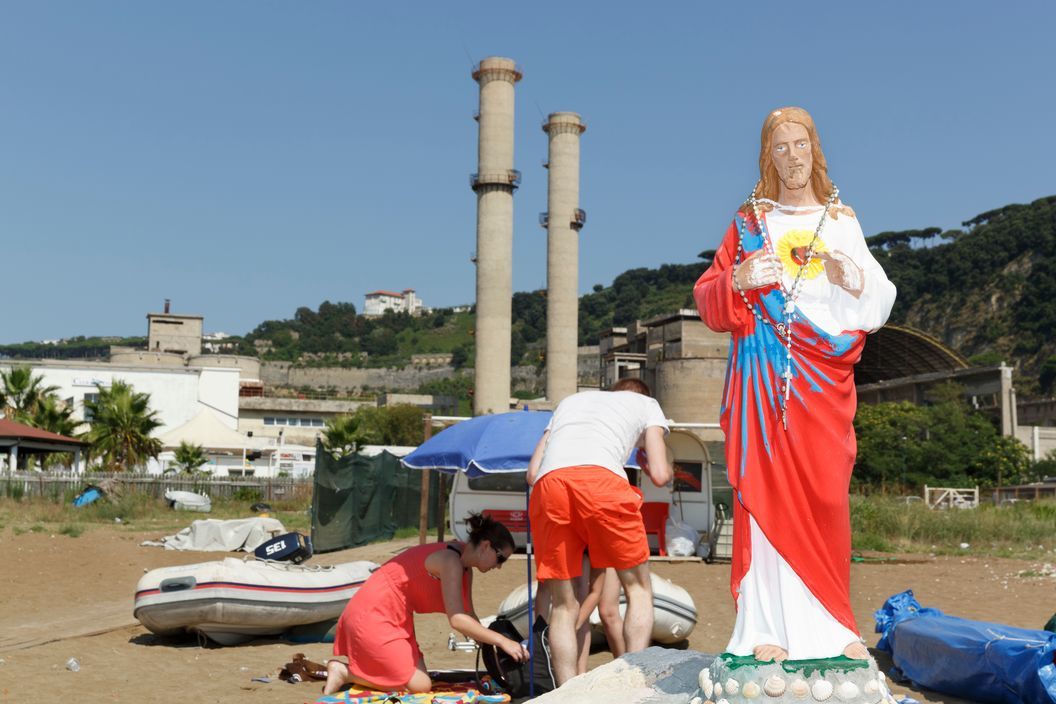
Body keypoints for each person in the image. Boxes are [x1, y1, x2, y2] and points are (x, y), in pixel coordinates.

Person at [694, 106, 896, 663]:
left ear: (815, 149)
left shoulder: (842, 219)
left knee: (827, 497)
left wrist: (850, 278)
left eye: (800, 144)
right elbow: (708, 296)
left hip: (823, 380)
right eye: (779, 147)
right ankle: (765, 628)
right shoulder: (748, 222)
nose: (791, 157)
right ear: (768, 156)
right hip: (762, 377)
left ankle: (833, 626)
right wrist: (737, 279)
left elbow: (879, 296)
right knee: (764, 497)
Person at [526, 377, 673, 685]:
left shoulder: (570, 401)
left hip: (550, 486)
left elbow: (532, 473)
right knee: (639, 590)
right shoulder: (648, 405)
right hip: (603, 484)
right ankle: (636, 681)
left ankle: (566, 691)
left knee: (564, 605)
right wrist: (651, 457)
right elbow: (661, 475)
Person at [323, 513, 528, 695]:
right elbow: (457, 619)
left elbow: (469, 615)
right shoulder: (451, 562)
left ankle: (355, 672)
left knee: (416, 678)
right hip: (373, 613)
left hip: (397, 617)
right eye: (501, 559)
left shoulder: (464, 567)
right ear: (485, 546)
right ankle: (345, 672)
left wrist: (494, 646)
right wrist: (501, 641)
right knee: (420, 685)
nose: (500, 567)